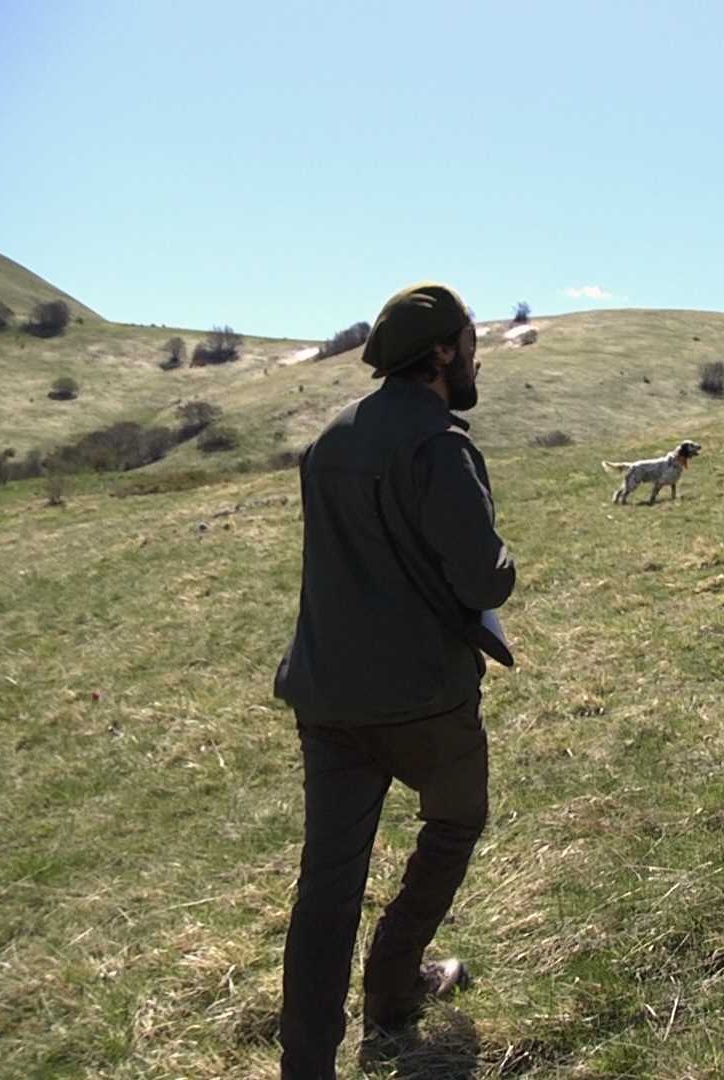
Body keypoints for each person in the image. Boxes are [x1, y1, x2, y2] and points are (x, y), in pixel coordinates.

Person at [272, 282, 516, 1078]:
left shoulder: (330, 439)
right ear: (443, 351)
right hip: (425, 700)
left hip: (327, 696)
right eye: (470, 340)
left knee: (326, 888)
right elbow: (484, 581)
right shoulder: (440, 443)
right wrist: (504, 559)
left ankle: (307, 1065)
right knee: (455, 824)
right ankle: (393, 987)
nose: (475, 353)